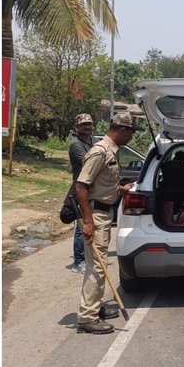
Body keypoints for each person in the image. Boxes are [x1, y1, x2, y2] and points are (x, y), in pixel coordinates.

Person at [74, 111, 138, 334]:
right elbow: (81, 186)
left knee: (100, 265)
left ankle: (95, 307)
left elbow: (101, 183)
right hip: (96, 215)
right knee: (97, 267)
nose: (131, 137)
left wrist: (121, 189)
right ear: (122, 130)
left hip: (104, 213)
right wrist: (88, 221)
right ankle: (87, 317)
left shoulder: (111, 150)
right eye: (130, 133)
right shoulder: (100, 152)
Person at [67, 112, 96, 272]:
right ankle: (79, 261)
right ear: (77, 127)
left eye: (89, 124)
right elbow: (90, 163)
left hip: (92, 188)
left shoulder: (93, 141)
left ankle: (89, 257)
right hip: (80, 188)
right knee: (81, 225)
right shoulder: (76, 144)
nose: (87, 127)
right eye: (83, 124)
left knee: (90, 223)